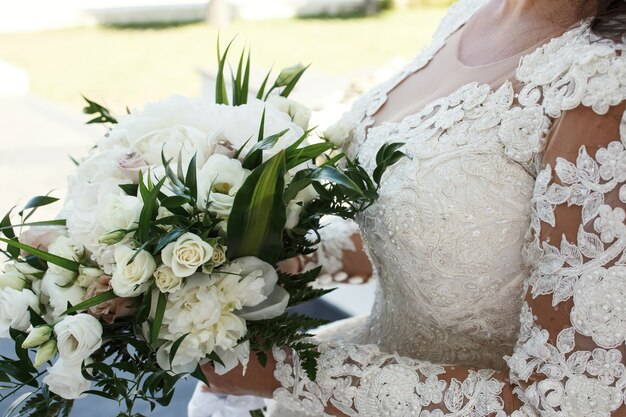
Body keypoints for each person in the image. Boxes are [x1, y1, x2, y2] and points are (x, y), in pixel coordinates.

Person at [197, 0, 626, 415]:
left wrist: (285, 375)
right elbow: (440, 232)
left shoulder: (603, 83)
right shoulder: (471, 12)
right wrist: (295, 258)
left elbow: (572, 403)